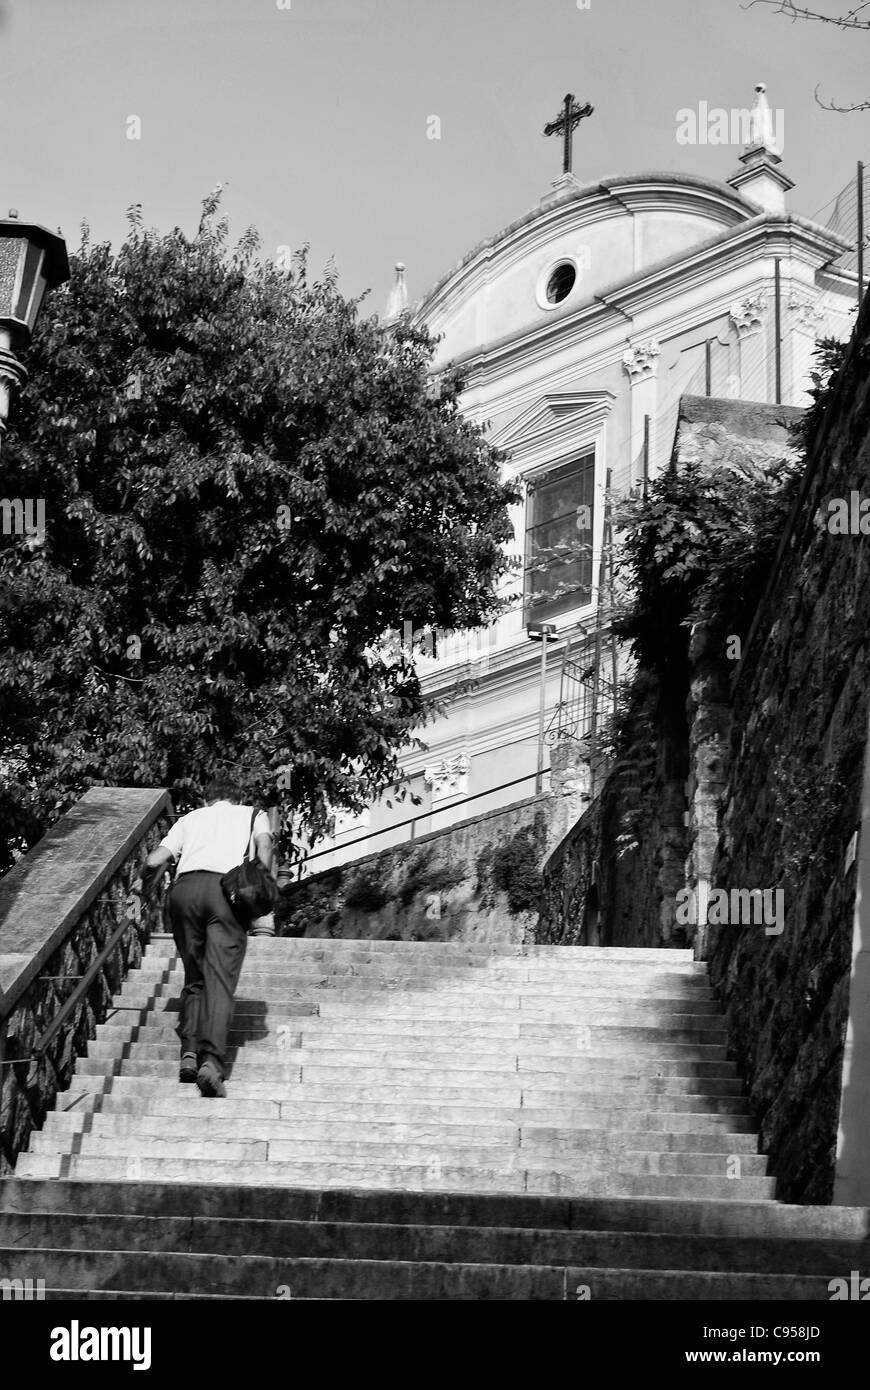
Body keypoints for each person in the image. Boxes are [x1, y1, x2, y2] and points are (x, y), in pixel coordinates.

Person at [142, 775, 275, 1098]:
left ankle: (188, 1053)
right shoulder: (253, 814)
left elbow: (154, 859)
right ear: (236, 796)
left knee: (195, 976)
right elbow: (266, 844)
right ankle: (211, 1063)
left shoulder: (190, 818)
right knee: (219, 979)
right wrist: (262, 880)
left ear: (207, 799)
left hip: (184, 893)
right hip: (226, 894)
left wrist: (144, 885)